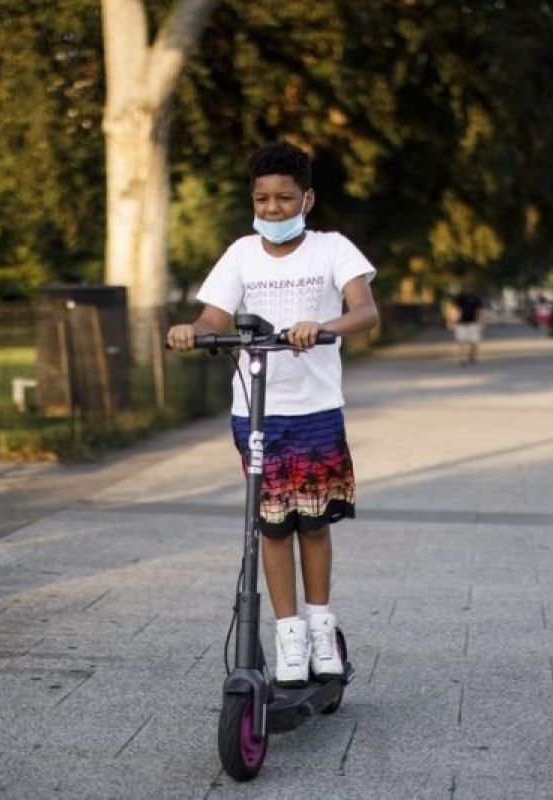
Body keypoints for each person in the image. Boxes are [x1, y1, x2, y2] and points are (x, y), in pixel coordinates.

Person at [166, 142, 379, 687]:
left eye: (286, 198)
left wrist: (323, 325)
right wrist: (193, 330)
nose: (274, 208)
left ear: (307, 198)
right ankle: (288, 636)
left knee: (313, 521)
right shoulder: (240, 254)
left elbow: (365, 312)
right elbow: (214, 312)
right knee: (273, 526)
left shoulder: (332, 250)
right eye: (263, 199)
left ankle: (320, 627)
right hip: (257, 412)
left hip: (315, 410)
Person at [448, 289, 486, 364]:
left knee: (474, 341)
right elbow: (454, 309)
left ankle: (472, 355)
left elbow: (479, 310)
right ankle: (462, 358)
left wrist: (481, 321)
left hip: (473, 323)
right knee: (461, 341)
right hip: (461, 323)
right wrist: (451, 321)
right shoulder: (459, 299)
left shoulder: (476, 299)